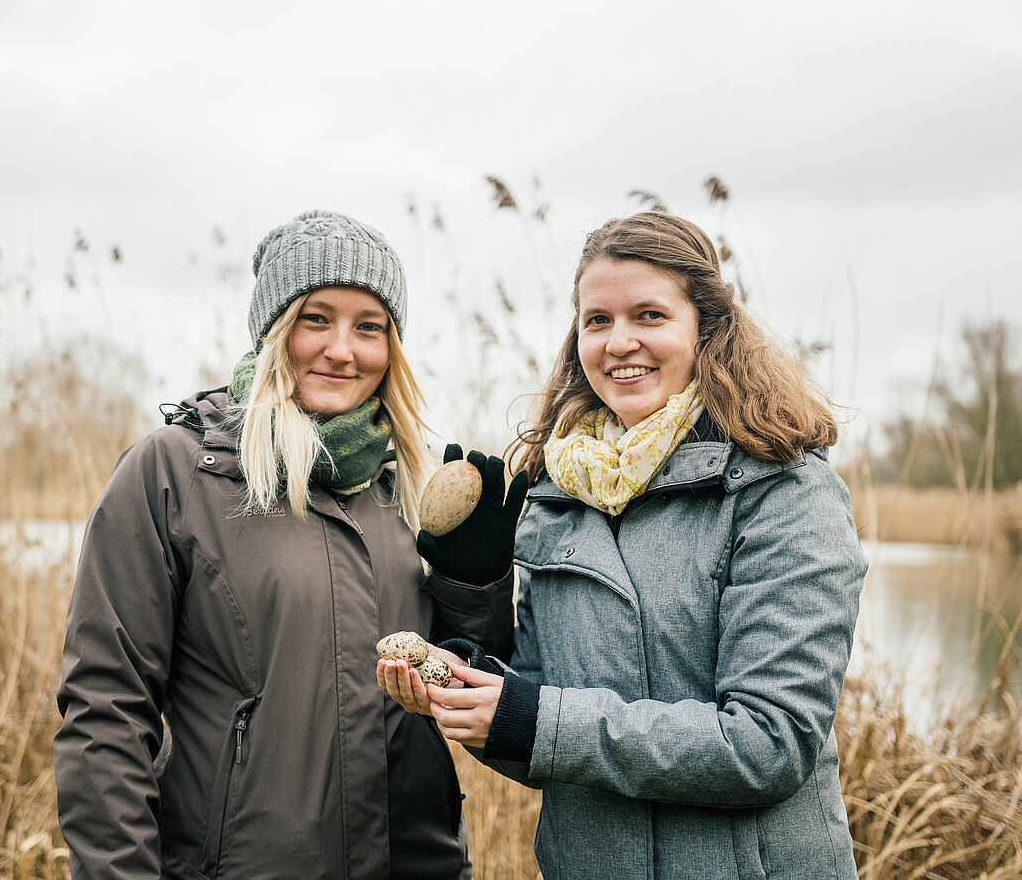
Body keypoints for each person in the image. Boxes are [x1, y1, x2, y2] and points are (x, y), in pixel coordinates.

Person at [380, 211, 868, 880]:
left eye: (649, 315)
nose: (619, 342)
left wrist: (534, 718)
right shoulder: (557, 497)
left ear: (707, 325)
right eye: (598, 320)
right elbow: (544, 735)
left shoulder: (782, 490)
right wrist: (476, 606)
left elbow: (768, 743)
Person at [54, 209, 519, 879]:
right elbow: (104, 713)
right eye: (316, 318)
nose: (342, 349)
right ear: (275, 330)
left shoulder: (405, 487)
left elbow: (457, 689)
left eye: (370, 327)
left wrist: (475, 591)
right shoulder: (174, 474)